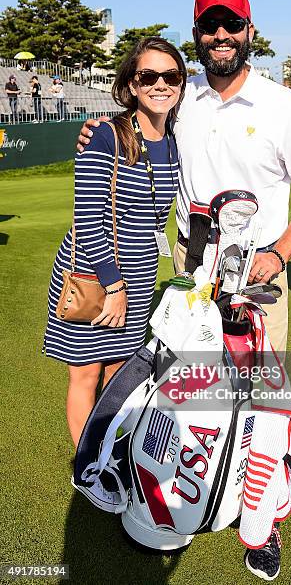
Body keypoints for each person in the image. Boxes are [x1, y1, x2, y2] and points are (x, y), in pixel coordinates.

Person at [77, 0, 291, 580]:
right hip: (194, 284)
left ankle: (261, 528)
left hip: (259, 283)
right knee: (188, 398)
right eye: (210, 27)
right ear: (198, 35)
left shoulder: (283, 105)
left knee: (266, 406)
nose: (221, 36)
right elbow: (139, 119)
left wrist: (281, 252)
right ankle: (187, 496)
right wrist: (100, 127)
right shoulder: (185, 97)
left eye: (231, 25)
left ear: (249, 31)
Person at [44, 38, 186, 499]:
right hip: (94, 275)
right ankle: (87, 468)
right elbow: (87, 216)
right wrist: (114, 284)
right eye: (148, 76)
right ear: (130, 84)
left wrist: (132, 286)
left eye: (171, 76)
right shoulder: (107, 133)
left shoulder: (173, 142)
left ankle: (108, 451)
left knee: (122, 374)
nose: (160, 84)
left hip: (140, 280)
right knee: (86, 373)